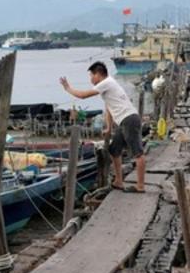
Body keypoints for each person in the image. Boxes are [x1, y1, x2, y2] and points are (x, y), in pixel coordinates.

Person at [60, 61, 145, 193]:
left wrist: (67, 88)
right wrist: (109, 128)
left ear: (98, 74)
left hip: (129, 119)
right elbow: (109, 109)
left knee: (137, 153)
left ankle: (140, 186)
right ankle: (119, 181)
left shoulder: (106, 83)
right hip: (124, 121)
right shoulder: (107, 87)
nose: (90, 79)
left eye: (91, 75)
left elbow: (83, 96)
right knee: (114, 150)